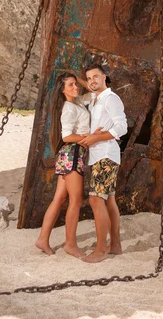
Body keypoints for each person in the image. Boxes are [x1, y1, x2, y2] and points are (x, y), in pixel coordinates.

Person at [35, 72, 90, 258]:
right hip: (73, 154)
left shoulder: (79, 102)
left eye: (76, 84)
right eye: (71, 85)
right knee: (76, 200)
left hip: (70, 154)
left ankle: (42, 239)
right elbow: (66, 136)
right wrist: (88, 138)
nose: (76, 87)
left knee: (59, 198)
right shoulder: (69, 108)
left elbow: (94, 91)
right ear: (62, 90)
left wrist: (77, 76)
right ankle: (70, 244)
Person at [78, 63, 127, 263]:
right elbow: (88, 90)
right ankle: (115, 245)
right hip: (102, 156)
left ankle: (100, 250)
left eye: (96, 76)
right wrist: (79, 78)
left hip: (106, 156)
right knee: (109, 200)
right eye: (89, 78)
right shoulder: (96, 100)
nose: (92, 81)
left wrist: (96, 138)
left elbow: (121, 127)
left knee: (96, 200)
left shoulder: (110, 99)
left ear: (105, 77)